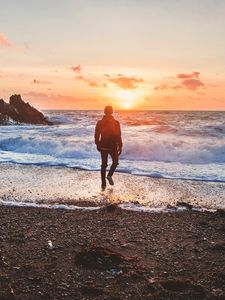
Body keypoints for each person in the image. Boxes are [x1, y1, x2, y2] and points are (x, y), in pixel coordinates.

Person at [95, 106, 122, 188]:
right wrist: (120, 145)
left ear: (104, 112)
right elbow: (118, 135)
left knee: (103, 165)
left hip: (103, 146)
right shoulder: (116, 122)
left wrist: (97, 144)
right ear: (112, 112)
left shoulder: (99, 122)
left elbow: (96, 135)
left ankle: (103, 183)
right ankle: (109, 175)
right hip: (112, 146)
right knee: (115, 162)